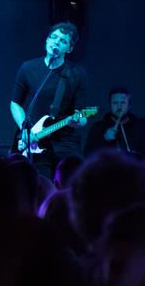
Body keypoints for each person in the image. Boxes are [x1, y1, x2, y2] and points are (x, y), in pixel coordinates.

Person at [9, 22, 89, 178]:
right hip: (35, 136)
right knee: (40, 182)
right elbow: (15, 103)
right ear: (47, 40)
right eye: (53, 37)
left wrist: (79, 121)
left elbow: (82, 114)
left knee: (71, 181)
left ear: (69, 49)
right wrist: (25, 129)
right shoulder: (28, 68)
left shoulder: (77, 74)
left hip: (65, 140)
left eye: (63, 41)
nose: (56, 42)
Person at [84, 86, 145, 157]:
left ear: (129, 105)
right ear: (110, 105)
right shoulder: (98, 128)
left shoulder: (141, 128)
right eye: (115, 103)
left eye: (123, 103)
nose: (119, 107)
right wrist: (104, 140)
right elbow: (87, 155)